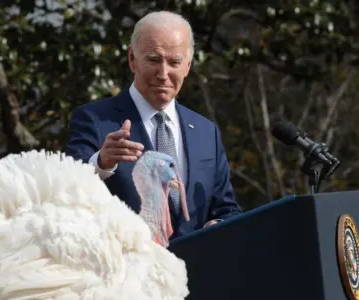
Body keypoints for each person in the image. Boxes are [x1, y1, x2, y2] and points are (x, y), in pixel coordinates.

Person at [65, 10, 242, 243]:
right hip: (125, 271)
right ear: (132, 60)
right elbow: (65, 191)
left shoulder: (206, 132)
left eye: (174, 62)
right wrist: (102, 162)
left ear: (187, 66)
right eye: (154, 59)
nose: (163, 73)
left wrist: (219, 226)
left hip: (195, 273)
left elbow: (226, 209)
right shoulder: (95, 120)